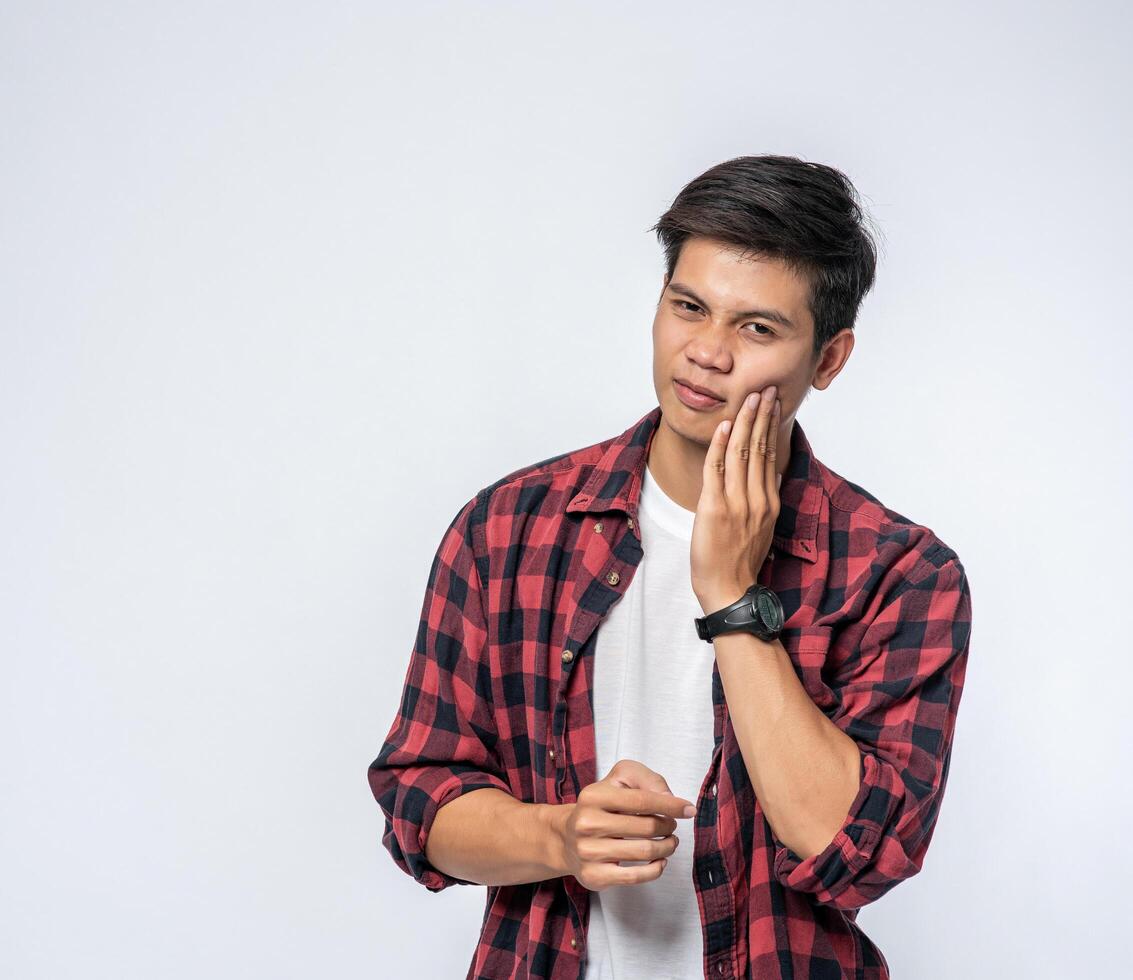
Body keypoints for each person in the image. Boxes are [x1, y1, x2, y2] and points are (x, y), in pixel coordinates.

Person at [366, 154, 973, 980]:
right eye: (688, 307)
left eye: (756, 328)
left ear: (828, 360)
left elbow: (856, 848)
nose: (706, 354)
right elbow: (416, 797)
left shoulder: (897, 574)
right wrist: (558, 836)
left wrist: (730, 594)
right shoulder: (509, 527)